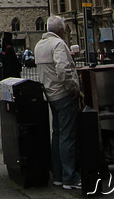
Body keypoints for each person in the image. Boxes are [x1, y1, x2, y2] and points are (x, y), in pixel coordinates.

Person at [35, 15, 81, 190]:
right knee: (67, 136)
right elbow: (63, 70)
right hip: (63, 95)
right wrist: (73, 89)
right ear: (61, 30)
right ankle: (70, 177)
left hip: (50, 95)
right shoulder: (59, 44)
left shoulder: (39, 45)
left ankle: (58, 175)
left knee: (57, 135)